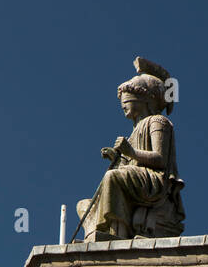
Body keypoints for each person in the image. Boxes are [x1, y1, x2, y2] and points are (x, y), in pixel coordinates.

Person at [78, 58, 185, 240]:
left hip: (154, 180)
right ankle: (95, 233)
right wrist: (118, 158)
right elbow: (130, 162)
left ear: (144, 100)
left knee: (113, 177)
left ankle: (116, 233)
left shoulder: (158, 122)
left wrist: (131, 152)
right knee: (84, 204)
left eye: (127, 100)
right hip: (136, 175)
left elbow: (159, 158)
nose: (123, 105)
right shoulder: (134, 132)